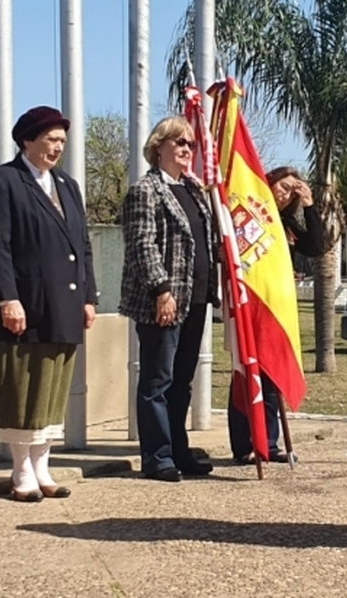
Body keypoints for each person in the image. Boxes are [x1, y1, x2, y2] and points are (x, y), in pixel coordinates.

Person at [0, 106, 97, 502]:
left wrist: (89, 296)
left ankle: (43, 466)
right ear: (27, 140)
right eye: (50, 139)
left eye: (62, 140)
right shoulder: (2, 181)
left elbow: (82, 245)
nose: (57, 147)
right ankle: (20, 470)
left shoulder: (67, 184)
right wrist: (7, 297)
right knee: (22, 385)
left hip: (64, 302)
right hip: (25, 302)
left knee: (52, 386)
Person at [119, 116, 218, 483]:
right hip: (162, 300)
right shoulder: (145, 191)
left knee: (182, 381)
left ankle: (178, 449)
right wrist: (162, 290)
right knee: (157, 381)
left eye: (189, 144)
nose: (185, 150)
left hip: (195, 299)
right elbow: (143, 246)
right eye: (178, 143)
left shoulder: (195, 191)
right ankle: (157, 456)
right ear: (157, 148)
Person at [227, 166, 324, 465]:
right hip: (250, 303)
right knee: (246, 373)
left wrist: (308, 205)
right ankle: (244, 445)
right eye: (283, 186)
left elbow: (316, 246)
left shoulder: (285, 224)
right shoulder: (248, 216)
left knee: (271, 375)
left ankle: (268, 442)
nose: (285, 195)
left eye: (291, 191)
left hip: (277, 307)